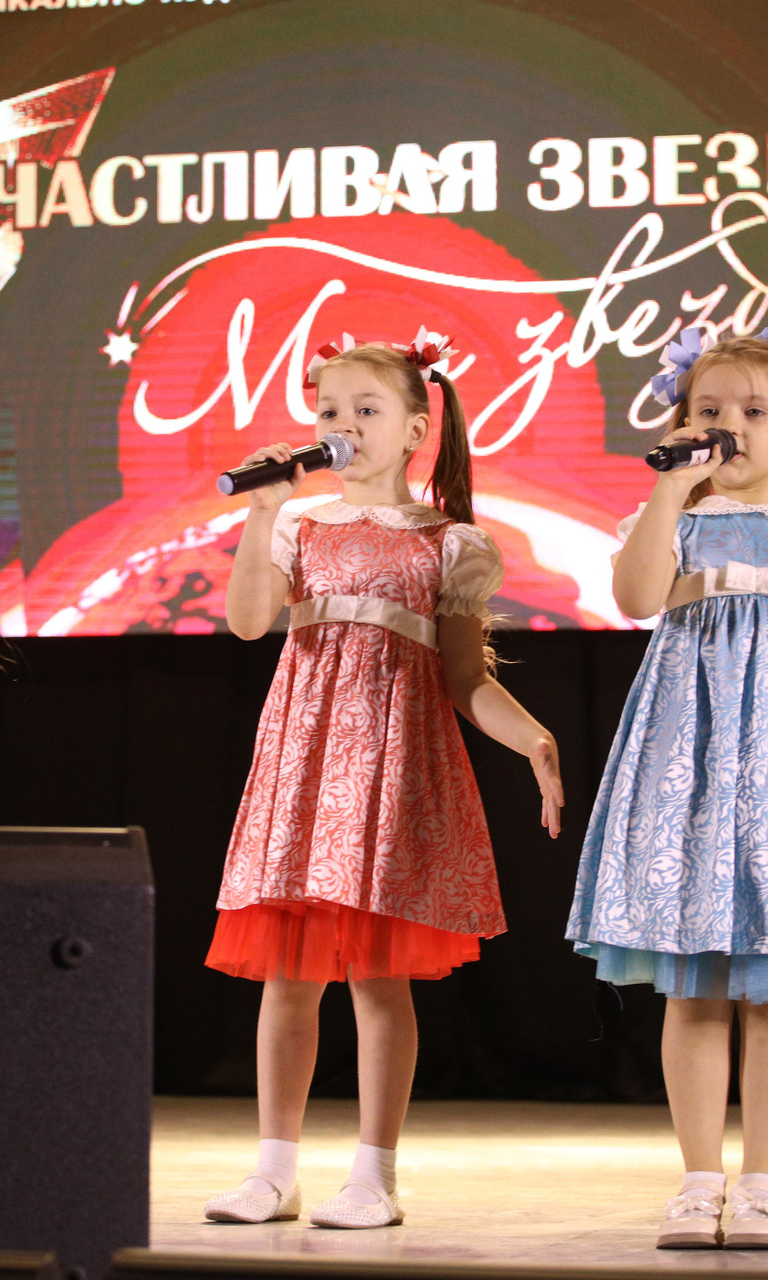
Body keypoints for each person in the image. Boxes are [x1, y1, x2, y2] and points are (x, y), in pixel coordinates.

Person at [202, 332, 564, 1230]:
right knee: (288, 974)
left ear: (414, 429)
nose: (344, 425)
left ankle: (375, 1175)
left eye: (367, 409)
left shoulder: (451, 543)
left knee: (376, 977)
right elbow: (247, 622)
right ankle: (273, 1171)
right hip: (304, 767)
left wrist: (532, 739)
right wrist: (261, 513)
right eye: (330, 410)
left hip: (392, 774)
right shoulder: (297, 524)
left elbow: (465, 680)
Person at [569, 326, 768, 1251]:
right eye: (709, 409)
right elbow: (637, 598)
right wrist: (668, 490)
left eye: (754, 411)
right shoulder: (676, 523)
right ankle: (697, 1179)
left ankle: (762, 1185)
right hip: (691, 775)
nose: (730, 426)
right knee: (696, 989)